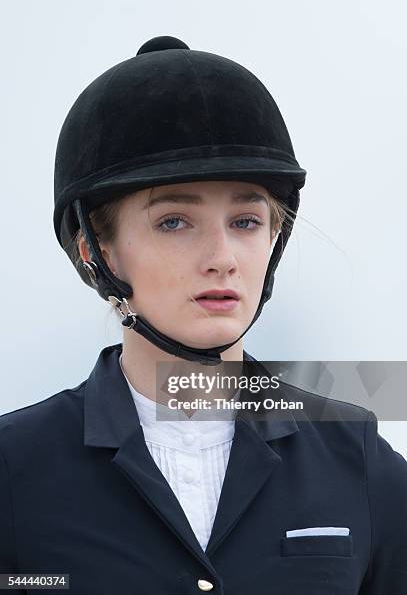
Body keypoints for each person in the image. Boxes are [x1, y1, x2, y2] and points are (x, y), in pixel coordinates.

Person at [0, 35, 406, 595]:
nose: (222, 260)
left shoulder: (356, 454)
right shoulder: (13, 468)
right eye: (174, 222)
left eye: (246, 221)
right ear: (96, 250)